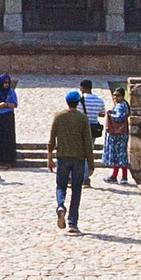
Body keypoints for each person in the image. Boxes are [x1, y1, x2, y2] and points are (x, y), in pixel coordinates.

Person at [49, 89, 92, 232]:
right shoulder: (82, 118)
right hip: (79, 158)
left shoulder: (59, 117)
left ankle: (60, 205)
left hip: (62, 156)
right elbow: (88, 143)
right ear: (78, 102)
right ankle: (73, 222)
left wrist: (49, 157)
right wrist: (91, 164)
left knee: (60, 185)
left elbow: (51, 140)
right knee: (76, 189)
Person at [103, 84, 131, 183]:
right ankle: (123, 176)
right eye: (114, 95)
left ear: (122, 96)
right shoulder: (124, 105)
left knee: (118, 155)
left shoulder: (120, 106)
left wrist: (110, 115)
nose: (115, 97)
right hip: (123, 133)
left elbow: (119, 117)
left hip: (119, 134)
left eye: (118, 95)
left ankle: (115, 176)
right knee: (122, 155)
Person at [80, 77, 106, 178]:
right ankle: (86, 176)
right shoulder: (99, 100)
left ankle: (80, 175)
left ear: (82, 88)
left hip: (82, 128)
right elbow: (102, 114)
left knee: (80, 152)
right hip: (93, 128)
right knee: (89, 151)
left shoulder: (80, 100)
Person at [0, 72, 18, 167]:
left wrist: (5, 104)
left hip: (8, 116)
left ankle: (9, 160)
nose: (6, 84)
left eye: (8, 82)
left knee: (8, 138)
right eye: (4, 82)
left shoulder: (11, 92)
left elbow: (15, 104)